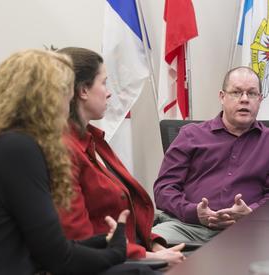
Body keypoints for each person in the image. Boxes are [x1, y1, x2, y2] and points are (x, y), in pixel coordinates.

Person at [0, 48, 150, 275]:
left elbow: (48, 244)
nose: (67, 107)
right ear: (46, 99)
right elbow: (58, 257)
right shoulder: (18, 148)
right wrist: (117, 253)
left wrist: (107, 243)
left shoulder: (9, 142)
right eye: (66, 97)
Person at [57, 47, 185, 265]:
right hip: (109, 261)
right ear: (83, 91)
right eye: (104, 82)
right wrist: (147, 256)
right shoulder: (64, 150)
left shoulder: (94, 140)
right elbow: (79, 236)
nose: (109, 92)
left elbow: (124, 212)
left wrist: (152, 243)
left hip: (133, 252)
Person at [153, 66, 269, 245]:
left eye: (252, 93)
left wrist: (251, 213)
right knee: (145, 243)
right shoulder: (190, 135)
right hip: (189, 228)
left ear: (260, 99)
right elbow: (164, 189)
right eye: (236, 92)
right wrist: (194, 212)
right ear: (222, 96)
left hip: (250, 231)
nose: (244, 99)